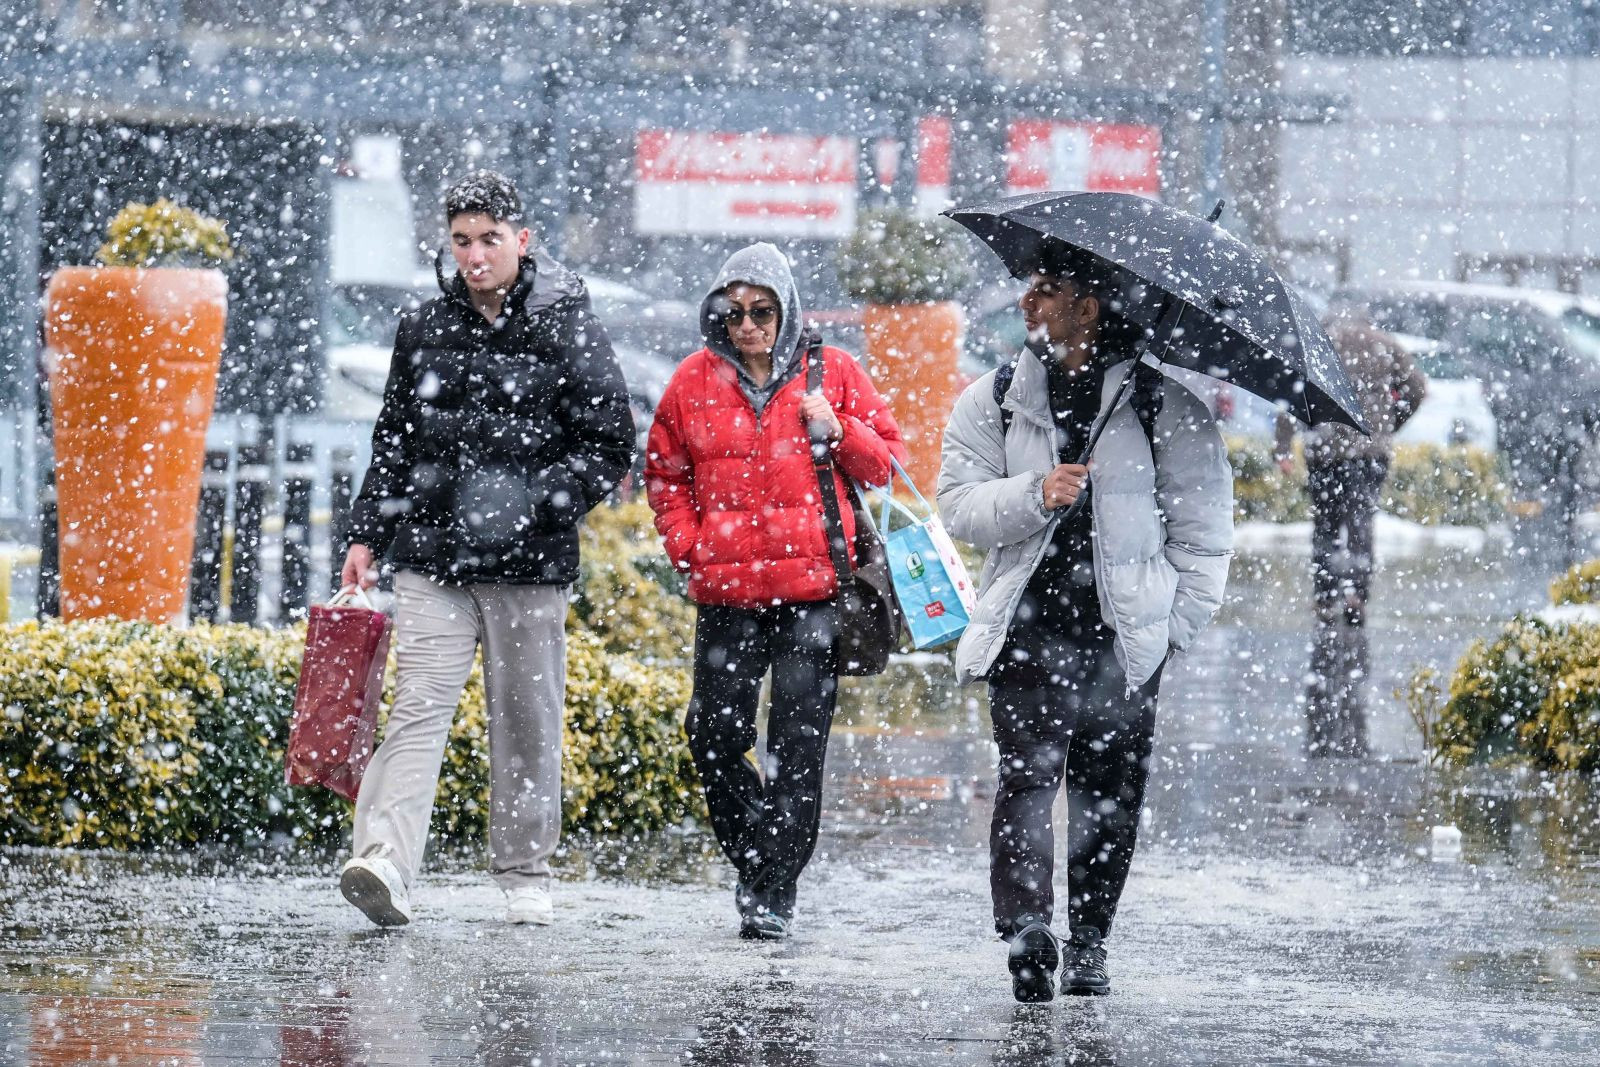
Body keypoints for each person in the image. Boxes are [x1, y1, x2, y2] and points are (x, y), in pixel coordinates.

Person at [337, 170, 634, 927]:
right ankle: (385, 862)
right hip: (433, 557)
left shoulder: (567, 322)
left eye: (490, 239)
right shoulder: (423, 325)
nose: (474, 255)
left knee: (526, 716)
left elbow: (607, 441)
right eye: (462, 240)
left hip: (529, 566)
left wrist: (534, 504)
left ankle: (525, 870)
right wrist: (367, 532)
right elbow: (394, 438)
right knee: (416, 711)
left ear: (522, 240)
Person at [938, 262, 1233, 1001]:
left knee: (1110, 788)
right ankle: (1029, 929)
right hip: (1030, 626)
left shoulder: (1166, 406)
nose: (1025, 301)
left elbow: (1205, 538)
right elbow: (959, 504)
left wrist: (1172, 630)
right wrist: (1036, 492)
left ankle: (1092, 937)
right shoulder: (997, 397)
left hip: (1122, 633)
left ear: (1088, 307)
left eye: (1043, 291)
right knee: (1028, 778)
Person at [644, 242, 906, 940]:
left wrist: (839, 427)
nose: (748, 325)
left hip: (813, 593)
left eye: (762, 311)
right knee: (712, 733)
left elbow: (886, 464)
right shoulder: (691, 383)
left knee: (799, 745)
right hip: (726, 594)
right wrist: (688, 545)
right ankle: (761, 857)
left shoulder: (835, 373)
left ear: (785, 311)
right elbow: (664, 473)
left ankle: (771, 891)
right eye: (733, 313)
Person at [1274, 306, 1426, 758]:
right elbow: (1418, 389)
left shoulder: (1317, 341)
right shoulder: (1384, 342)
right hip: (1368, 447)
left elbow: (1289, 394)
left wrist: (1285, 444)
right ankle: (1357, 594)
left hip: (1326, 449)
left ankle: (1325, 597)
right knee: (1361, 527)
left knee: (1325, 526)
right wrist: (1389, 424)